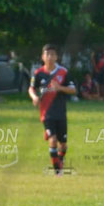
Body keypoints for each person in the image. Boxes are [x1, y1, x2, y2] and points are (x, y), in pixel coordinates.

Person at [29, 44, 76, 175]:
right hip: (46, 113)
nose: (50, 57)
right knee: (53, 140)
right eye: (47, 54)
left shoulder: (63, 72)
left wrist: (60, 88)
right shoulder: (38, 74)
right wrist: (34, 97)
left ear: (56, 57)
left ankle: (60, 160)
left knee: (63, 144)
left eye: (52, 54)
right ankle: (57, 171)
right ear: (43, 57)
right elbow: (31, 88)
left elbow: (73, 90)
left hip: (61, 113)